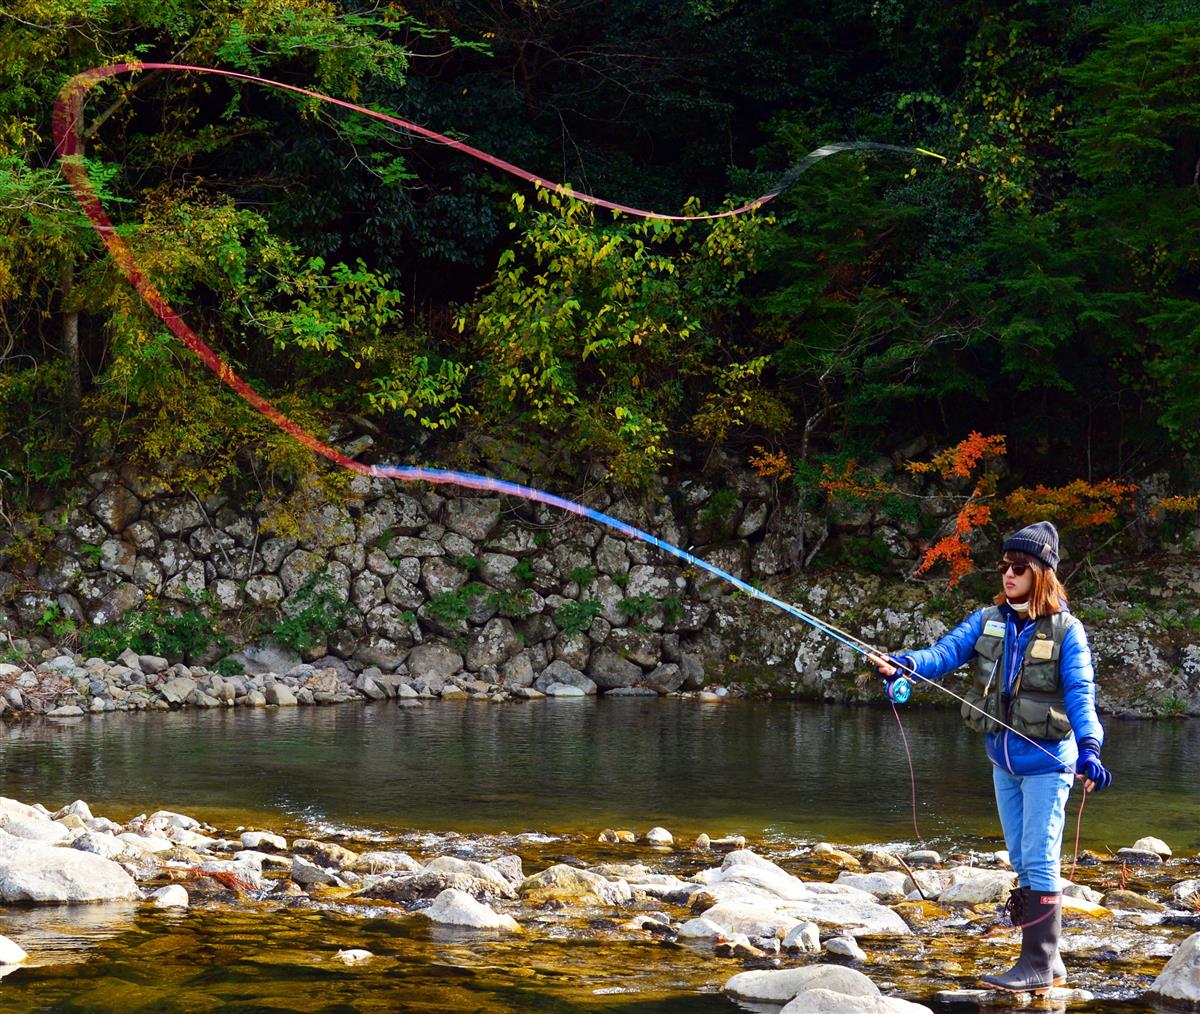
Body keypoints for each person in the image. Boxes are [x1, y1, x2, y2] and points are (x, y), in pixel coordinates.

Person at [869, 520, 1112, 994]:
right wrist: (908, 664)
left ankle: (1036, 966)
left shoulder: (1068, 632)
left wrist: (1091, 749)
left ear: (1041, 573)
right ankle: (1051, 961)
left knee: (1040, 861)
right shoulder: (988, 619)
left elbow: (1082, 696)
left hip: (1048, 764)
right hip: (1003, 763)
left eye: (1018, 568)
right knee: (1022, 860)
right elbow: (945, 653)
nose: (1008, 575)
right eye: (1004, 566)